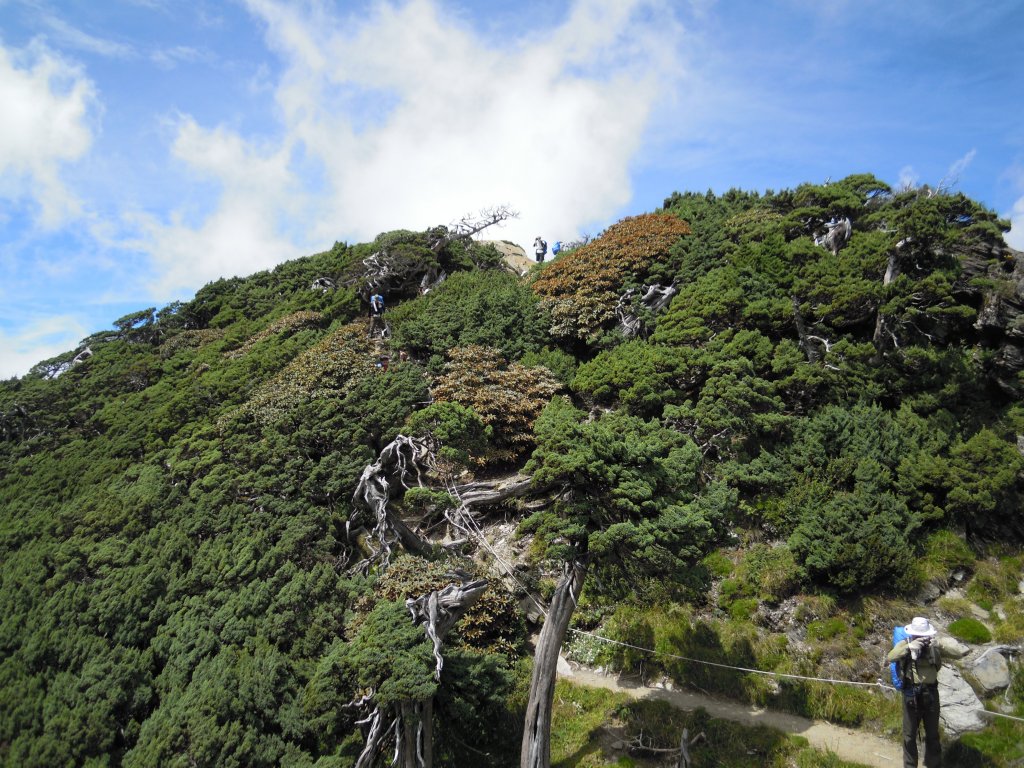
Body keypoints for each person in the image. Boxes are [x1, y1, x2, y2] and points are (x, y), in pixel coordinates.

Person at [888, 616, 942, 767]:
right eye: (919, 636)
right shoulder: (905, 643)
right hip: (911, 693)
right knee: (909, 736)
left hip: (931, 693)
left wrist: (937, 645)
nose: (922, 639)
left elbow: (958, 652)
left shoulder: (933, 646)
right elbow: (891, 656)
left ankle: (934, 764)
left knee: (932, 735)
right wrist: (909, 647)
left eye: (924, 636)